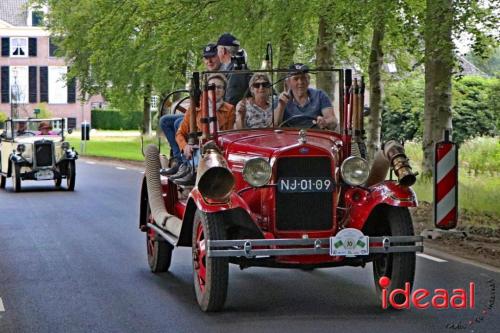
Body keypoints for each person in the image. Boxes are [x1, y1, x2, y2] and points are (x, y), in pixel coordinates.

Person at [160, 43, 221, 176]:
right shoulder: (206, 75)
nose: (209, 61)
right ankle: (179, 159)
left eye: (212, 57)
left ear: (219, 56)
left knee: (178, 124)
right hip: (199, 110)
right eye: (206, 58)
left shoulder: (221, 75)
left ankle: (186, 163)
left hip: (208, 114)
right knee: (165, 121)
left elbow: (216, 100)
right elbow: (200, 99)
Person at [172, 73, 235, 186]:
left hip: (220, 150)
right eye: (212, 87)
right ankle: (191, 173)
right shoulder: (194, 109)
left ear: (224, 91)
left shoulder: (230, 109)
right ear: (205, 90)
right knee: (200, 163)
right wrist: (185, 146)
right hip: (200, 150)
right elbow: (180, 134)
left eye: (220, 87)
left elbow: (229, 134)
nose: (215, 90)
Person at [274, 63, 338, 130]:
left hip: (315, 137)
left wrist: (325, 122)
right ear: (288, 82)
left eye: (303, 78)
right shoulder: (281, 99)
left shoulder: (320, 95)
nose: (300, 82)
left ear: (308, 80)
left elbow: (333, 121)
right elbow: (274, 125)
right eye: (296, 79)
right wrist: (281, 106)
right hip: (289, 137)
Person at [216, 33, 251, 107]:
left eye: (218, 50)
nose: (217, 53)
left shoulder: (236, 72)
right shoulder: (236, 68)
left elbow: (231, 102)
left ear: (223, 51)